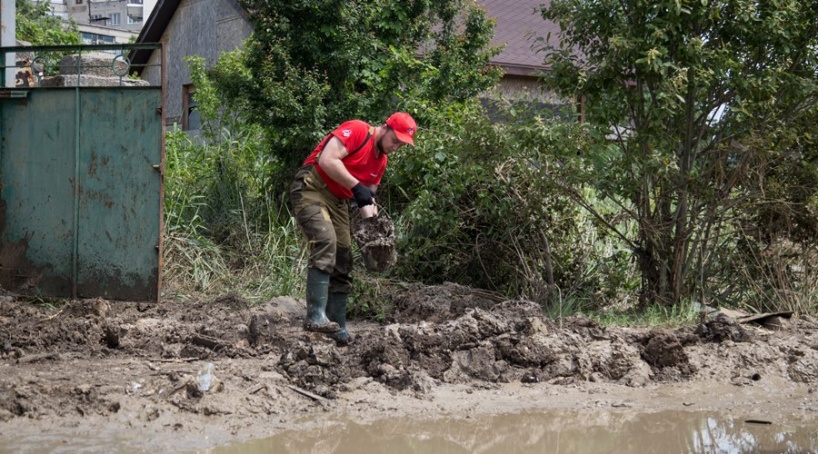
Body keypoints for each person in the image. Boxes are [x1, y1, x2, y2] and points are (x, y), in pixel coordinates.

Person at [289, 112, 417, 345]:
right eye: (395, 139)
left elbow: (366, 200)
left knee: (344, 257)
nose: (396, 146)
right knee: (325, 240)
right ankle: (315, 316)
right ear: (385, 127)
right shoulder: (359, 131)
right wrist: (356, 186)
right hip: (312, 187)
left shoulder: (381, 161)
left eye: (402, 144)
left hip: (338, 200)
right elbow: (328, 160)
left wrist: (374, 233)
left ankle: (337, 326)